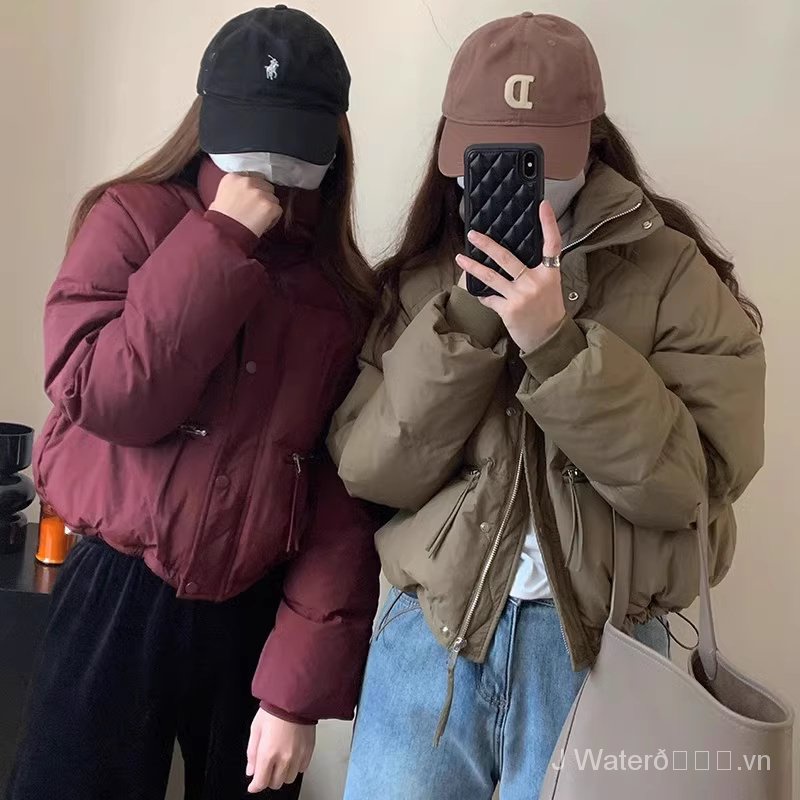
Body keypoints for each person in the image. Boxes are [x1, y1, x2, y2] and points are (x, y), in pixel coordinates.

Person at [328, 13, 765, 799]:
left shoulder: (674, 275)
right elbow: (371, 472)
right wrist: (466, 321)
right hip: (432, 644)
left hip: (603, 656)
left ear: (590, 142)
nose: (515, 175)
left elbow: (694, 490)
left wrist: (558, 346)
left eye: (538, 154)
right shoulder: (426, 281)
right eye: (489, 154)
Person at [8, 7, 380, 799]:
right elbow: (105, 395)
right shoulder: (130, 219)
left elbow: (342, 500)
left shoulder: (342, 294)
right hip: (116, 592)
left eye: (293, 140)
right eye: (251, 133)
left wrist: (296, 690)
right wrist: (218, 240)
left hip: (255, 615)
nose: (270, 162)